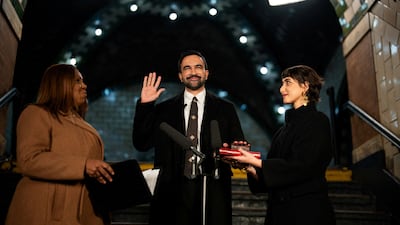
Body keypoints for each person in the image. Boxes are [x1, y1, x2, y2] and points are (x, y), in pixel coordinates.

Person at [132, 50, 245, 225]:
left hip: (212, 191)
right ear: (180, 76)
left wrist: (238, 152)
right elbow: (141, 143)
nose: (193, 72)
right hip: (171, 194)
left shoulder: (225, 109)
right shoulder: (163, 110)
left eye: (198, 67)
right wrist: (145, 106)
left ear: (206, 73)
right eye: (187, 68)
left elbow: (238, 146)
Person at [225, 65, 336, 225]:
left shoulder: (318, 121)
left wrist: (255, 161)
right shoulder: (282, 131)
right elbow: (271, 178)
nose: (281, 89)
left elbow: (303, 165)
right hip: (279, 214)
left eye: (288, 83)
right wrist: (248, 166)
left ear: (305, 86)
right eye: (282, 83)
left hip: (307, 213)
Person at [6, 64, 115, 225]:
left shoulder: (81, 123)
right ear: (59, 84)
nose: (84, 86)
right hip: (46, 212)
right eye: (77, 81)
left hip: (84, 212)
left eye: (83, 81)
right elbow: (30, 160)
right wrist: (84, 166)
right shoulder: (36, 114)